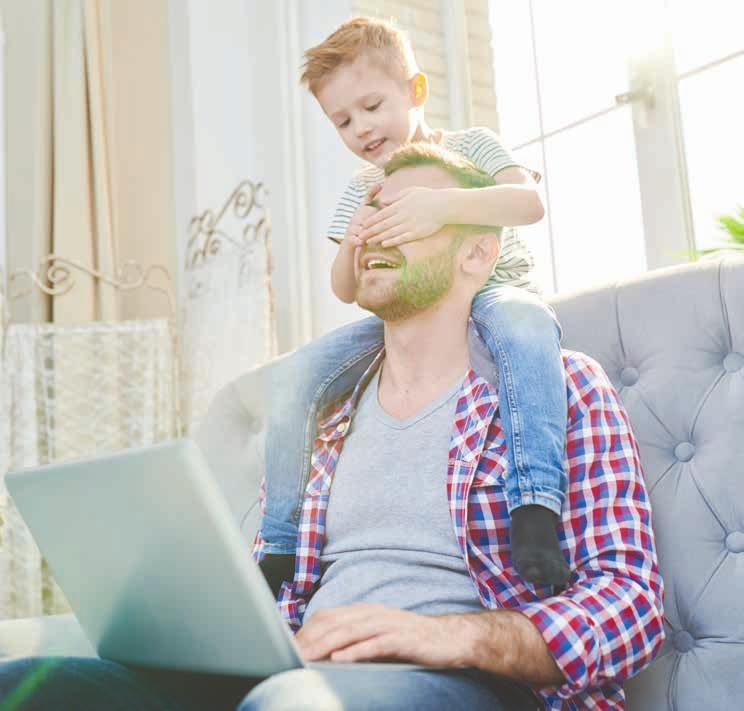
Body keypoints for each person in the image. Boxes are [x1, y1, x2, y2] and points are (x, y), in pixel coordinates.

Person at [0, 144, 664, 711]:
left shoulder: (560, 384)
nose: (374, 231)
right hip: (298, 676)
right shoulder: (324, 415)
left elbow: (632, 605)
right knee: (31, 683)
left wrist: (454, 634)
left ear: (477, 256)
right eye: (372, 215)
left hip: (469, 681)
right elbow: (280, 592)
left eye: (406, 218)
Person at [260, 16, 571, 589]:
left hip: (493, 291)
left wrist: (438, 207)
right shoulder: (363, 186)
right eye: (343, 121)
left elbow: (528, 204)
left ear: (417, 91)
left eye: (372, 106)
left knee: (525, 327)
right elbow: (346, 290)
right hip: (409, 313)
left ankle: (533, 507)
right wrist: (355, 241)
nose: (361, 128)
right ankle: (278, 541)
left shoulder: (470, 146)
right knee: (295, 375)